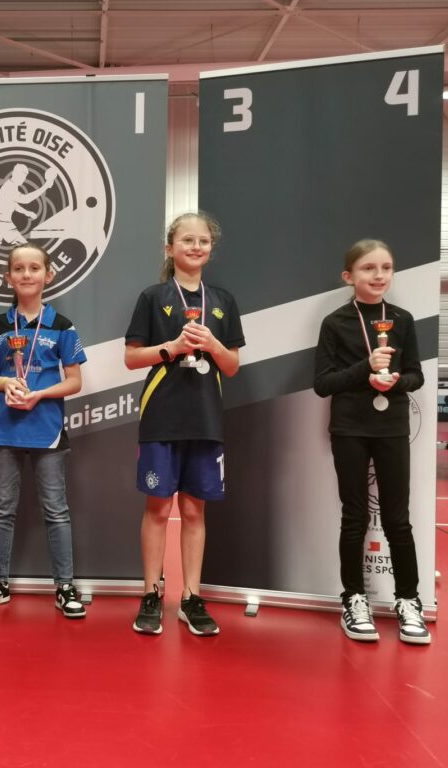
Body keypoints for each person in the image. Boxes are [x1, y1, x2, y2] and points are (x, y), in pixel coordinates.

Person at [124, 212, 243, 636]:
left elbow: (232, 366)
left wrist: (213, 344)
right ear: (170, 248)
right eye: (187, 240)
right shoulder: (153, 297)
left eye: (203, 241)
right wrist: (172, 347)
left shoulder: (223, 300)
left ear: (211, 248)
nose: (196, 247)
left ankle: (191, 597)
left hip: (205, 419)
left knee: (194, 509)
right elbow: (131, 358)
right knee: (158, 508)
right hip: (161, 416)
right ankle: (151, 593)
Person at [313, 239, 430, 645]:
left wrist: (395, 382)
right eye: (368, 268)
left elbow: (417, 375)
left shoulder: (402, 319)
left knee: (398, 519)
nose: (379, 275)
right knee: (355, 517)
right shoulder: (335, 322)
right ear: (349, 276)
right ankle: (354, 598)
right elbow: (322, 383)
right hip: (350, 428)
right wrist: (366, 369)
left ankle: (409, 599)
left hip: (392, 427)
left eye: (386, 268)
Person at [0, 243, 87, 617]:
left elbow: (75, 381)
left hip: (47, 430)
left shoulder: (62, 325)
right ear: (8, 277)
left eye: (35, 268)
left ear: (48, 275)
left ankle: (65, 586)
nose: (27, 274)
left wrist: (39, 394)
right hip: (5, 429)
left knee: (56, 510)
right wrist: (6, 383)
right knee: (2, 508)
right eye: (18, 268)